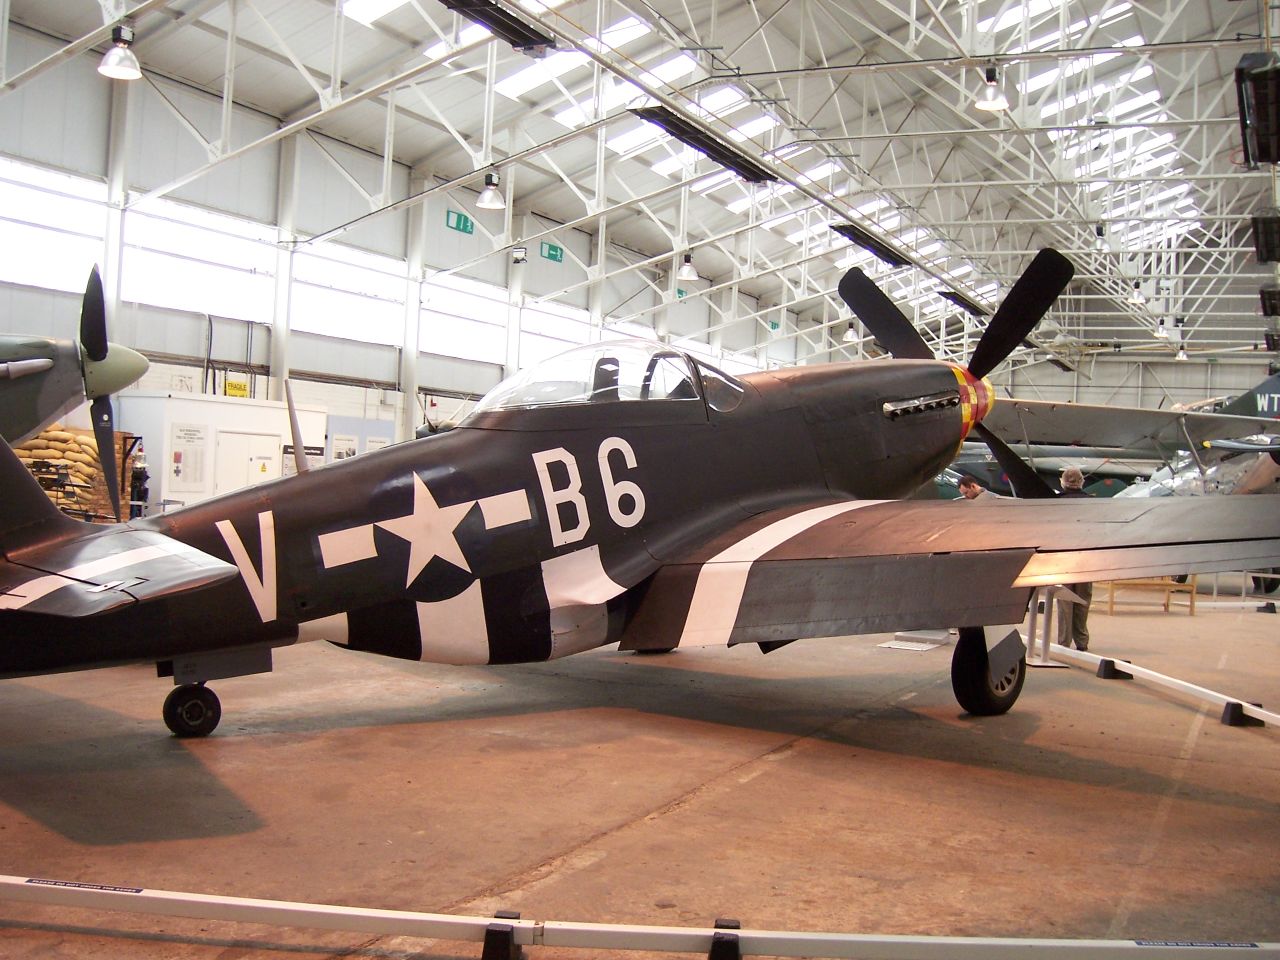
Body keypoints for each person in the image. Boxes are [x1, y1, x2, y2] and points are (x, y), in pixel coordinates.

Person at [1056, 466, 1093, 650]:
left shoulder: (1055, 502)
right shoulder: (1092, 503)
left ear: (1062, 482)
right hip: (1086, 558)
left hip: (1063, 558)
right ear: (1081, 481)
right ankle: (1082, 642)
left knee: (1064, 600)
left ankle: (1064, 642)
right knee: (1083, 600)